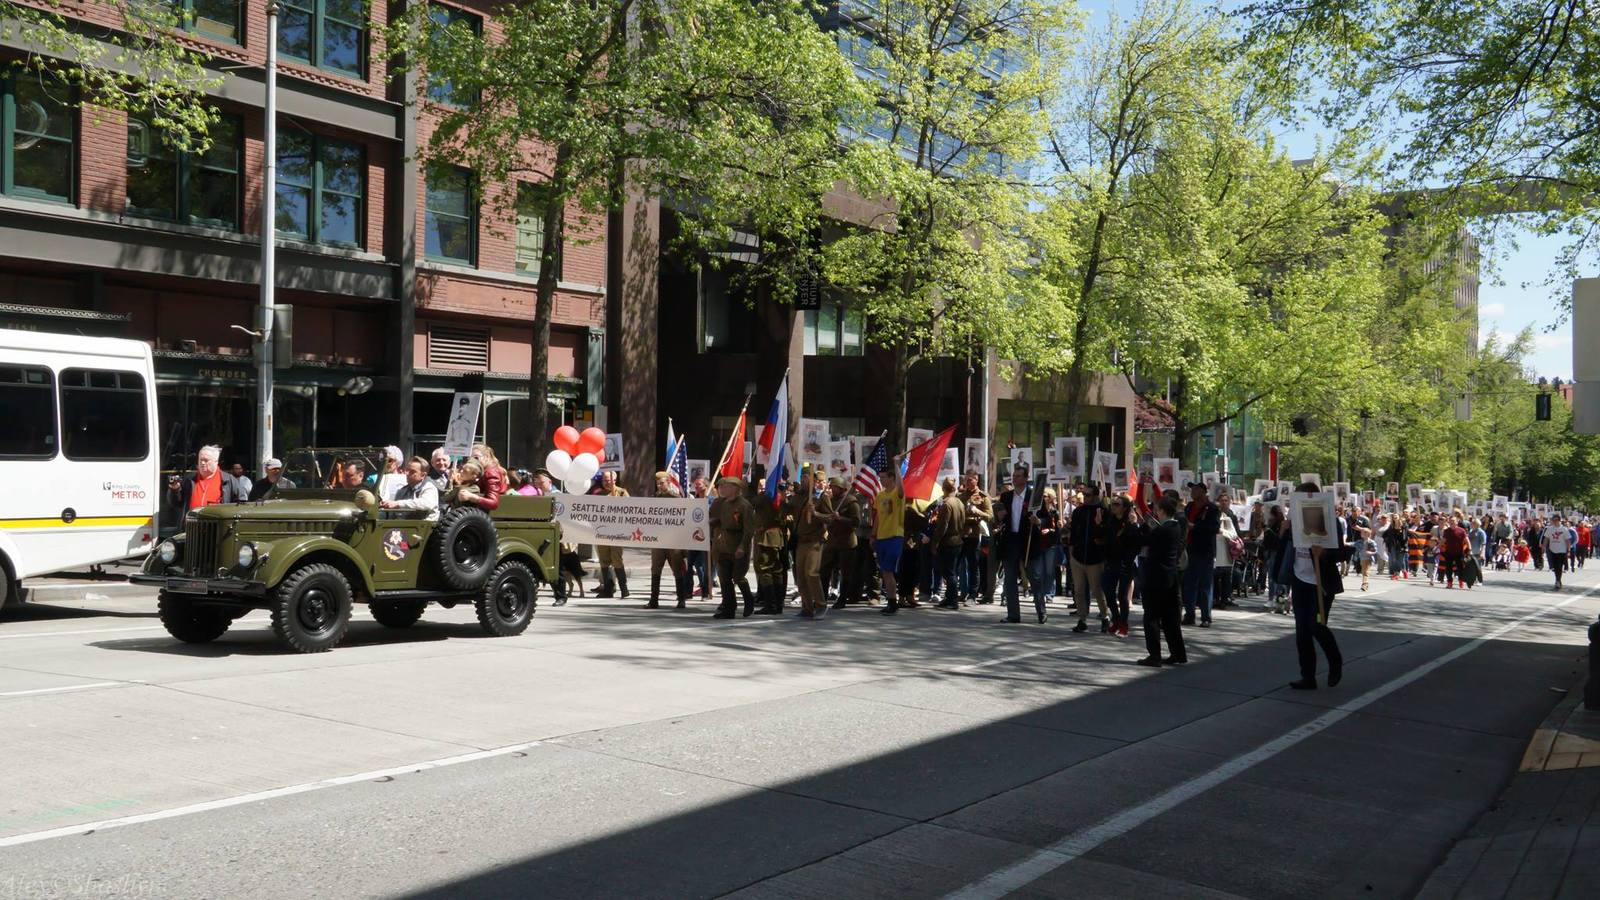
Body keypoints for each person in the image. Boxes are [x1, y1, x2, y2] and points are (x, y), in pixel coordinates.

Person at [1288, 483, 1345, 690]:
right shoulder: (1292, 522)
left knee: (1317, 625)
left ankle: (1335, 661)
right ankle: (1308, 676)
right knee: (1301, 632)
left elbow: (1342, 552)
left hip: (1321, 584)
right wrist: (1283, 531)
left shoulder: (1331, 522)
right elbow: (1280, 549)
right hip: (1300, 580)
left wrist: (1325, 554)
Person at [1137, 494, 1187, 667]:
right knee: (1170, 618)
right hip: (1170, 577)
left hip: (1156, 578)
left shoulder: (1163, 529)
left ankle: (1154, 655)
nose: (1155, 513)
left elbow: (1145, 539)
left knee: (1151, 617)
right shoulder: (1176, 526)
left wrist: (1143, 525)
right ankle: (1178, 653)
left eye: (1157, 510)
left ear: (1163, 511)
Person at [786, 466, 832, 618]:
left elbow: (830, 518)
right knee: (800, 576)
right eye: (803, 478)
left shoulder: (821, 498)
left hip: (814, 540)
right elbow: (788, 510)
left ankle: (820, 605)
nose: (804, 481)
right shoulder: (798, 497)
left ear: (813, 480)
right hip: (801, 541)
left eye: (807, 478)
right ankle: (807, 607)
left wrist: (816, 513)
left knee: (811, 573)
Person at [1066, 482, 1110, 633]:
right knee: (1078, 590)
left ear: (1096, 496)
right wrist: (1071, 552)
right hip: (1078, 557)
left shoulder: (1104, 511)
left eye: (1088, 495)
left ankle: (1105, 617)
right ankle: (1082, 619)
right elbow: (1073, 533)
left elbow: (1107, 535)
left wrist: (1100, 526)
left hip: (1095, 558)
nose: (1084, 497)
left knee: (1097, 590)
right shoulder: (1079, 511)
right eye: (1083, 495)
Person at [709, 476, 755, 618]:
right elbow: (717, 519)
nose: (722, 489)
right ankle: (728, 607)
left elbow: (748, 529)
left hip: (737, 543)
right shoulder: (720, 503)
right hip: (722, 545)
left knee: (738, 576)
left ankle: (749, 601)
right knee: (724, 578)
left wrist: (742, 547)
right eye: (721, 487)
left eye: (725, 486)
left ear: (735, 488)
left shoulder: (744, 505)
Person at [645, 471, 690, 610]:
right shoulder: (655, 497)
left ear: (669, 483)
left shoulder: (676, 497)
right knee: (655, 569)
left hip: (673, 539)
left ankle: (681, 599)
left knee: (677, 569)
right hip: (659, 539)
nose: (659, 485)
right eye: (658, 483)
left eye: (662, 483)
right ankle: (654, 600)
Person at [994, 469, 1032, 624]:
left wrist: (1039, 522)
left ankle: (1041, 610)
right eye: (1013, 476)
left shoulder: (1033, 496)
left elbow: (1044, 517)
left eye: (1018, 476)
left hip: (1028, 541)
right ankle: (1013, 614)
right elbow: (1000, 516)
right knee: (1010, 579)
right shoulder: (1006, 496)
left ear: (1025, 478)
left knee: (1033, 577)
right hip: (1010, 541)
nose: (1014, 478)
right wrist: (1000, 516)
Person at [1182, 481, 1221, 628]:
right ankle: (1190, 614)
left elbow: (1214, 527)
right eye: (1192, 489)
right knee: (1189, 584)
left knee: (1205, 585)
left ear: (1203, 492)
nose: (1192, 492)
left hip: (1205, 551)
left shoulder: (1212, 509)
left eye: (1196, 489)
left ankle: (1206, 617)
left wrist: (1195, 527)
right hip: (1189, 549)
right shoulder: (1189, 507)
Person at [1102, 493, 1142, 637]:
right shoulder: (1110, 521)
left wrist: (1134, 525)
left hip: (1125, 564)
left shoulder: (1131, 523)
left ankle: (1124, 624)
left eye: (1117, 505)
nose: (1113, 507)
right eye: (1113, 504)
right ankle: (1117, 620)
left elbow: (1137, 542)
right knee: (1108, 591)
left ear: (1125, 508)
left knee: (1123, 596)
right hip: (1111, 562)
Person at [874, 459, 909, 616]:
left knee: (888, 570)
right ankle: (891, 600)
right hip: (881, 537)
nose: (881, 480)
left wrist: (896, 465)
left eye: (883, 477)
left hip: (894, 536)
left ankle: (892, 602)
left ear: (891, 478)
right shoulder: (880, 495)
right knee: (885, 571)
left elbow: (901, 489)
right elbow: (878, 517)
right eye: (880, 478)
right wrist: (873, 535)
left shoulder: (897, 493)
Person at [822, 477, 862, 610]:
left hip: (847, 542)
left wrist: (841, 518)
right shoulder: (831, 501)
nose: (832, 489)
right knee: (824, 569)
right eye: (831, 486)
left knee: (846, 572)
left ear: (841, 488)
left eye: (834, 486)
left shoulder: (851, 502)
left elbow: (856, 522)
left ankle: (843, 598)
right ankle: (822, 597)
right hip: (832, 541)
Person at [590, 470, 630, 598]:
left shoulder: (622, 493)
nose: (606, 482)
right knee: (604, 560)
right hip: (602, 532)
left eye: (608, 480)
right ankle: (608, 589)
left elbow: (630, 510)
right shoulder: (599, 494)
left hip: (617, 533)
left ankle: (624, 589)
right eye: (604, 480)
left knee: (617, 560)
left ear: (614, 480)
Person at [928, 477, 966, 610]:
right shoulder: (959, 502)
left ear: (944, 489)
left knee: (949, 572)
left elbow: (942, 526)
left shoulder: (946, 504)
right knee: (951, 571)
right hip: (958, 540)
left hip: (948, 542)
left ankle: (953, 600)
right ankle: (949, 598)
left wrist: (935, 543)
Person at [1024, 489, 1061, 623]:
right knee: (1038, 574)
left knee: (1049, 571)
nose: (1043, 498)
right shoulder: (1035, 509)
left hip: (1050, 545)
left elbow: (1057, 529)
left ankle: (1048, 593)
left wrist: (1052, 528)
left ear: (1051, 498)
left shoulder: (1055, 512)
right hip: (1038, 545)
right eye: (1042, 496)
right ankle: (1040, 596)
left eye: (1046, 496)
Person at [958, 473, 992, 603]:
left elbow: (990, 516)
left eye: (970, 479)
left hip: (974, 534)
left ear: (976, 480)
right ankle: (960, 593)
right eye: (966, 479)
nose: (967, 481)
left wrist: (977, 512)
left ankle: (973, 594)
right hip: (961, 534)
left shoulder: (983, 497)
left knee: (973, 565)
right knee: (958, 565)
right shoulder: (961, 496)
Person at [181, 445, 245, 509]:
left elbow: (241, 505)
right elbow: (177, 504)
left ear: (216, 462)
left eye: (206, 460)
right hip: (192, 518)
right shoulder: (189, 479)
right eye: (200, 460)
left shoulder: (229, 480)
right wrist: (175, 491)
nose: (202, 463)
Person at [380, 456, 441, 521]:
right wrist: (387, 505)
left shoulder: (429, 488)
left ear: (423, 475)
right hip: (405, 527)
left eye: (412, 471)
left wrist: (398, 504)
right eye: (407, 470)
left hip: (424, 527)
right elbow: (395, 514)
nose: (407, 473)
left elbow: (426, 503)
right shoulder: (402, 491)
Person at [1542, 517, 1572, 590]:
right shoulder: (1549, 529)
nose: (1555, 522)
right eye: (1553, 520)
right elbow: (1546, 538)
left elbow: (1567, 541)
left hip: (1562, 550)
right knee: (1555, 567)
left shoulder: (1564, 529)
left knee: (1559, 566)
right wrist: (1543, 547)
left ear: (1559, 521)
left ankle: (1558, 580)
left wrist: (1568, 550)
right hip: (1552, 550)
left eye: (1556, 520)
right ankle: (1557, 579)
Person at [1439, 515, 1468, 589]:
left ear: (1457, 522)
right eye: (1450, 521)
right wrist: (1437, 547)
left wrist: (1470, 549)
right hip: (1449, 552)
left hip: (1459, 553)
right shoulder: (1447, 531)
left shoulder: (1462, 531)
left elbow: (1466, 540)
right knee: (1448, 568)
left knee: (1460, 568)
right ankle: (1449, 583)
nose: (1451, 522)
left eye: (1453, 521)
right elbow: (1443, 540)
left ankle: (1461, 582)